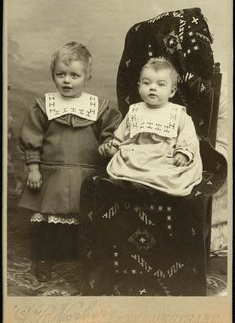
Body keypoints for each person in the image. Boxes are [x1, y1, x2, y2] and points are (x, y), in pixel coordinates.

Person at [18, 41, 122, 282]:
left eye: (74, 75)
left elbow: (113, 132)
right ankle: (44, 259)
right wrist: (34, 169)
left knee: (83, 220)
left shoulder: (98, 108)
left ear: (87, 76)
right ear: (53, 75)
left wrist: (110, 144)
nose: (67, 81)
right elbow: (32, 137)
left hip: (86, 175)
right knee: (47, 222)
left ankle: (83, 257)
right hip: (52, 173)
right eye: (61, 74)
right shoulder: (45, 107)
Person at [99, 57, 203, 196]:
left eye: (161, 84)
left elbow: (188, 136)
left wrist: (183, 152)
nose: (153, 87)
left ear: (172, 91)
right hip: (136, 154)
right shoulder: (134, 111)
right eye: (147, 83)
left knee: (168, 173)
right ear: (139, 87)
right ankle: (131, 184)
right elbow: (121, 133)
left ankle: (151, 186)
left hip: (163, 156)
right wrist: (114, 147)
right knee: (123, 162)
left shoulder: (178, 114)